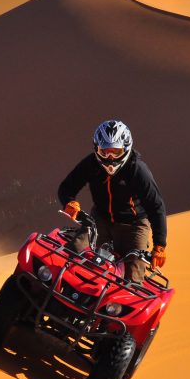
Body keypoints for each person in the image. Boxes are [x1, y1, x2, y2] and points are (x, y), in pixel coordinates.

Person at [57, 119, 167, 284]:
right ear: (96, 149)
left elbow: (156, 206)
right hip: (99, 219)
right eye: (105, 151)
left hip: (134, 225)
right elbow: (66, 187)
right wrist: (69, 202)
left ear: (126, 149)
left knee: (133, 276)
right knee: (73, 251)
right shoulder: (91, 164)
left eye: (115, 151)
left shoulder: (137, 170)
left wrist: (159, 245)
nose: (109, 157)